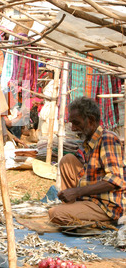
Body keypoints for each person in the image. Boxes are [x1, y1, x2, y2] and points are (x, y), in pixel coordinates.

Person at [48, 96, 126, 226]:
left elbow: (115, 179)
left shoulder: (107, 139)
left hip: (107, 206)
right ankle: (74, 207)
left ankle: (105, 221)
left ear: (90, 121)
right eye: (71, 123)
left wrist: (77, 192)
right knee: (68, 160)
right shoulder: (89, 143)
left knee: (55, 214)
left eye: (76, 123)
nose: (73, 128)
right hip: (91, 200)